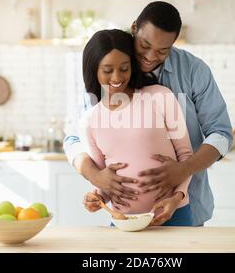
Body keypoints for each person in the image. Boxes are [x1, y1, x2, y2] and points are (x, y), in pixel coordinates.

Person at [65, 1, 233, 227]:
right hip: (125, 217)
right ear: (134, 28)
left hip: (183, 205)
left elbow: (220, 133)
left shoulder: (192, 71)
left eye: (162, 50)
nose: (150, 56)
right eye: (145, 45)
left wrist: (184, 169)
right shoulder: (110, 71)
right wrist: (96, 179)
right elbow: (74, 139)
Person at [80, 29, 194, 226]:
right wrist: (97, 198)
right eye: (107, 70)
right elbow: (104, 180)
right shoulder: (90, 120)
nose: (117, 77)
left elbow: (185, 156)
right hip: (124, 222)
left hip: (173, 215)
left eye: (124, 68)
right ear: (94, 70)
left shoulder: (160, 97)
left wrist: (177, 199)